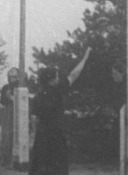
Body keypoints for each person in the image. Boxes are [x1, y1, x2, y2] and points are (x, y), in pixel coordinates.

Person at [29, 47, 91, 175]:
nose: (58, 79)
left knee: (40, 168)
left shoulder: (38, 95)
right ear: (51, 79)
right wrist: (85, 58)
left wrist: (36, 135)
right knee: (58, 168)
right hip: (56, 135)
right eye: (57, 77)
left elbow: (34, 118)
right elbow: (74, 75)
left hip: (42, 136)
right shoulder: (58, 91)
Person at [0, 68, 19, 168]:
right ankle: (5, 160)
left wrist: (11, 97)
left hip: (17, 115)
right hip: (7, 114)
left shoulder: (20, 87)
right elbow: (2, 102)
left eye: (14, 76)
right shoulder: (5, 87)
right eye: (10, 76)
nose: (12, 78)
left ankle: (13, 162)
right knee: (6, 137)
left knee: (14, 138)